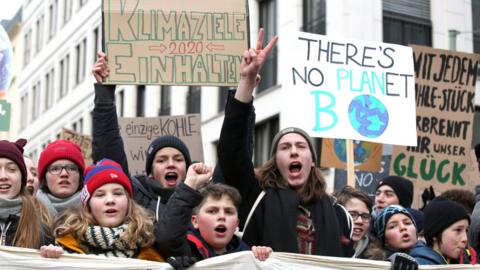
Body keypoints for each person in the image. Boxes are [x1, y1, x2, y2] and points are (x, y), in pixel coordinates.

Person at [216, 28, 352, 257]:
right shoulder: (258, 197)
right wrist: (247, 82)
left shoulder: (338, 213)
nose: (293, 152)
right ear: (275, 160)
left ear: (312, 161)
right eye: (285, 147)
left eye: (300, 147)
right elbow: (230, 150)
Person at [91, 53, 192, 216]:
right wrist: (105, 93)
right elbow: (107, 147)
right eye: (161, 160)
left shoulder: (203, 203)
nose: (171, 164)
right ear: (150, 171)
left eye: (178, 159)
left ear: (188, 170)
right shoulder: (135, 199)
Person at [40, 158, 164, 261]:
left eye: (117, 193)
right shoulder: (65, 246)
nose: (110, 200)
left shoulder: (150, 251)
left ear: (128, 202)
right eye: (100, 195)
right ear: (88, 206)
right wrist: (51, 260)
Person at [156, 163, 272, 263]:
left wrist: (263, 257)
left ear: (237, 223)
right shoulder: (186, 252)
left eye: (228, 212)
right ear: (195, 221)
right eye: (212, 211)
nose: (222, 217)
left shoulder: (247, 254)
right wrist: (191, 183)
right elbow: (168, 238)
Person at [0, 139, 54, 248]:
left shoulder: (42, 232)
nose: (3, 176)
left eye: (11, 169)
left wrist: (51, 256)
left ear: (22, 179)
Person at [410, 197, 474, 265]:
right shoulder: (419, 265)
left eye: (466, 230)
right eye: (458, 230)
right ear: (434, 234)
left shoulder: (462, 261)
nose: (465, 239)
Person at [36, 140, 86, 216]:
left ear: (80, 176)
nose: (64, 174)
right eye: (55, 169)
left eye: (71, 168)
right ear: (44, 179)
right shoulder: (27, 215)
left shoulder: (96, 213)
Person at [335, 186, 385, 260]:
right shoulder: (316, 249)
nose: (360, 221)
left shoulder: (377, 257)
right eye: (352, 215)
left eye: (365, 216)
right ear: (336, 215)